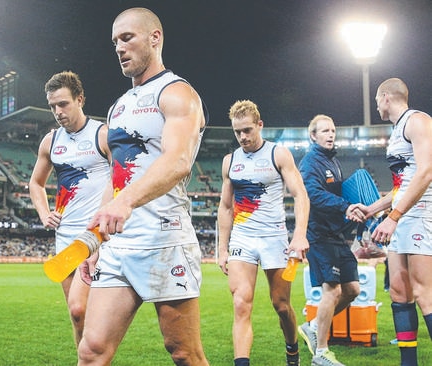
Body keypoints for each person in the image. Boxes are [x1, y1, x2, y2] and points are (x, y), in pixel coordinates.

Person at [77, 7, 209, 365]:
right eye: (115, 41)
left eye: (127, 38)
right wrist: (94, 238)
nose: (119, 48)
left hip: (164, 238)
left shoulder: (177, 93)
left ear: (155, 38)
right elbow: (116, 177)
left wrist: (126, 202)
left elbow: (178, 161)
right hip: (120, 244)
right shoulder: (119, 107)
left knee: (183, 352)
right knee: (91, 350)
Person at [217, 100, 309, 366]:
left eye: (247, 130)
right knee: (241, 303)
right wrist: (223, 249)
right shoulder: (229, 161)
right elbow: (225, 207)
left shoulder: (278, 154)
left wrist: (299, 234)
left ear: (260, 125)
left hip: (274, 238)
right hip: (242, 240)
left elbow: (300, 195)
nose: (243, 137)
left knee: (281, 305)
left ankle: (292, 349)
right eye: (238, 132)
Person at [351, 78, 432, 366]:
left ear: (386, 97)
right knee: (400, 291)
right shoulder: (397, 131)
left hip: (421, 215)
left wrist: (394, 217)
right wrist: (373, 209)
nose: (376, 106)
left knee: (425, 294)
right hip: (403, 218)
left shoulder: (418, 120)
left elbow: (426, 172)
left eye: (377, 100)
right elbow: (402, 185)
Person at [28, 71, 111, 347]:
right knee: (77, 316)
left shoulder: (102, 135)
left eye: (63, 104)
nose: (57, 111)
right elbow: (36, 183)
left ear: (80, 99)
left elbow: (121, 180)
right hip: (64, 239)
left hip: (95, 239)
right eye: (52, 106)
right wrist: (43, 213)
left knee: (81, 308)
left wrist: (103, 225)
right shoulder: (51, 142)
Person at [297, 114, 361, 366]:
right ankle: (321, 353)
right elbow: (312, 194)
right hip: (319, 235)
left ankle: (313, 326)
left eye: (332, 130)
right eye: (324, 131)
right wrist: (345, 207)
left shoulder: (332, 162)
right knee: (332, 290)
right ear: (313, 135)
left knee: (352, 290)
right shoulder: (310, 162)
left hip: (335, 235)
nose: (330, 134)